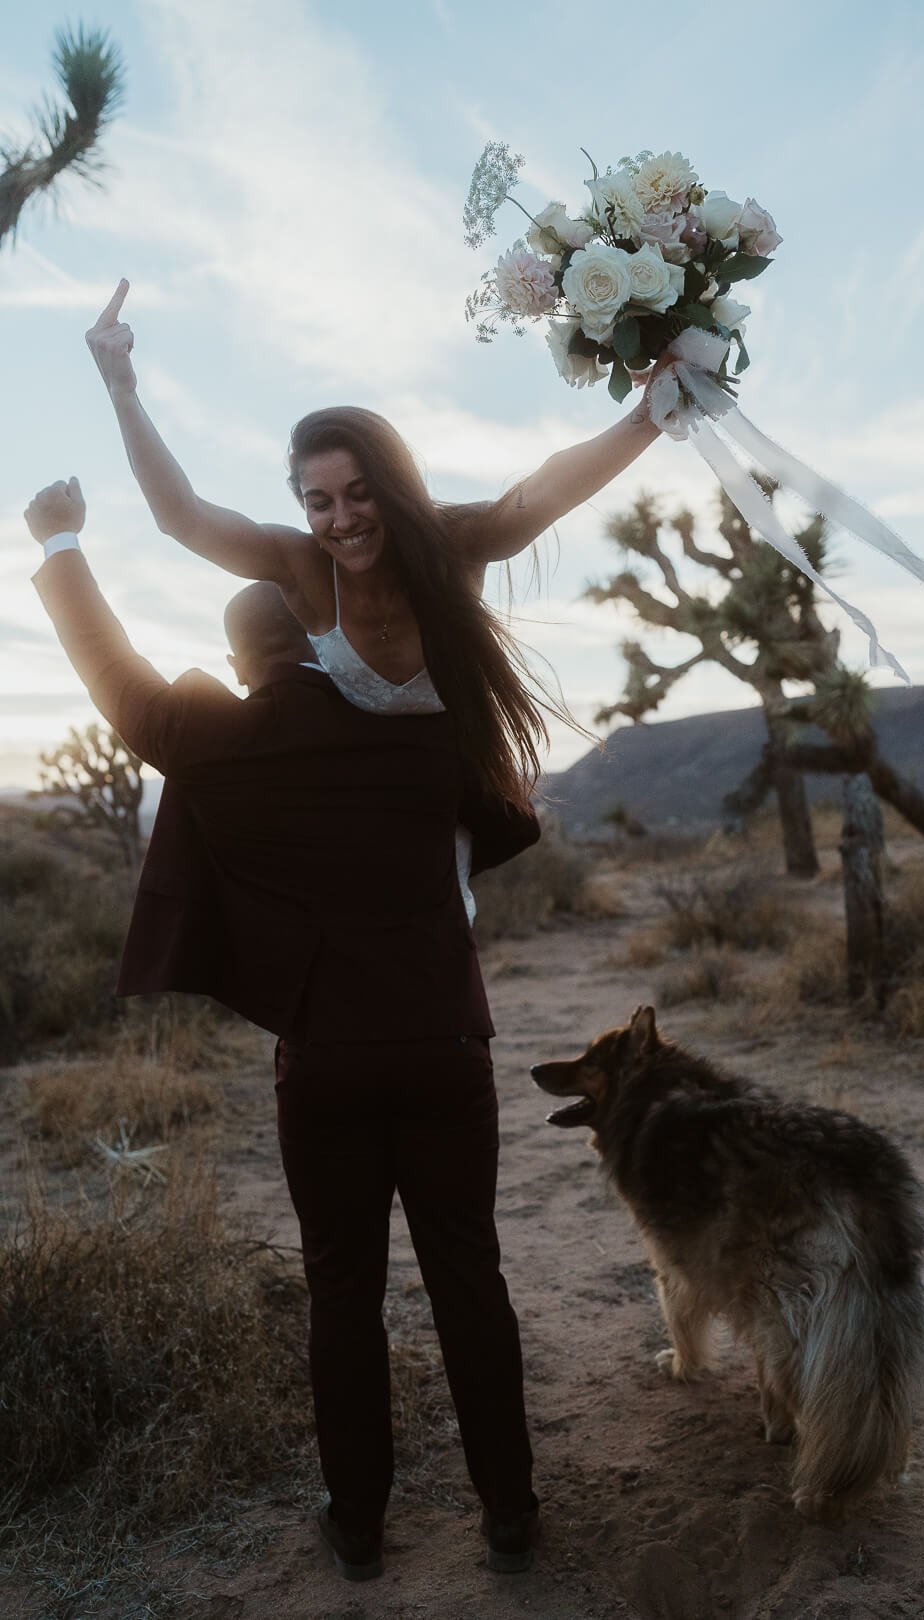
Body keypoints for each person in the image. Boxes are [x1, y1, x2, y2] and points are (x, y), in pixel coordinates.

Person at [25, 476, 544, 1581]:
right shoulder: (421, 729)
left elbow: (111, 675)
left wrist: (62, 540)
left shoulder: (221, 747)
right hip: (448, 1043)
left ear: (248, 660)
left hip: (324, 1059)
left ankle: (358, 1525)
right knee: (470, 1276)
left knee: (342, 1291)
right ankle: (511, 1512)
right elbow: (508, 817)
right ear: (310, 644)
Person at [83, 280, 664, 815]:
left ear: (395, 488)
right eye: (320, 503)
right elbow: (183, 518)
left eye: (362, 494)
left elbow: (543, 490)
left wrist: (650, 415)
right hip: (351, 810)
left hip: (448, 806)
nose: (343, 521)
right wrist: (121, 389)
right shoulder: (301, 567)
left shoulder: (453, 546)